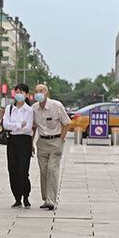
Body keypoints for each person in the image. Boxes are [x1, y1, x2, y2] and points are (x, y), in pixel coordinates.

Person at [31, 83, 72, 212]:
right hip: (42, 143)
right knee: (43, 171)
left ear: (47, 93)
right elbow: (33, 127)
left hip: (55, 142)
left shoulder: (56, 106)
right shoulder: (34, 108)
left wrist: (61, 139)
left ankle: (51, 200)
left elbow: (67, 123)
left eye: (41, 91)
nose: (39, 93)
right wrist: (31, 143)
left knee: (52, 170)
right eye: (36, 91)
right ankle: (46, 198)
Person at [0, 83, 34, 209]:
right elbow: (5, 125)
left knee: (23, 171)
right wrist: (19, 125)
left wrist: (14, 126)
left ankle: (26, 196)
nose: (19, 94)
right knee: (12, 170)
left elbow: (28, 128)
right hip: (12, 141)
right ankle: (17, 198)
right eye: (17, 92)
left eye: (21, 92)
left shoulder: (29, 110)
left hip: (25, 142)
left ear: (26, 94)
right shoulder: (9, 109)